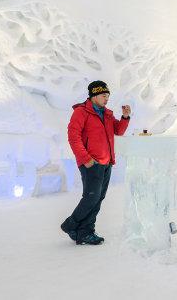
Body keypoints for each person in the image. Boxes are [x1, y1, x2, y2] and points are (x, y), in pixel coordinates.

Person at [60, 80, 131, 245]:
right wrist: (86, 159)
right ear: (94, 95)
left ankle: (85, 231)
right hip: (91, 163)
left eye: (108, 96)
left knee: (98, 198)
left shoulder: (106, 114)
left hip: (106, 164)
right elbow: (73, 137)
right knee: (91, 198)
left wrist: (125, 117)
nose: (106, 99)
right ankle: (71, 225)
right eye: (103, 95)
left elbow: (118, 130)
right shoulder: (81, 112)